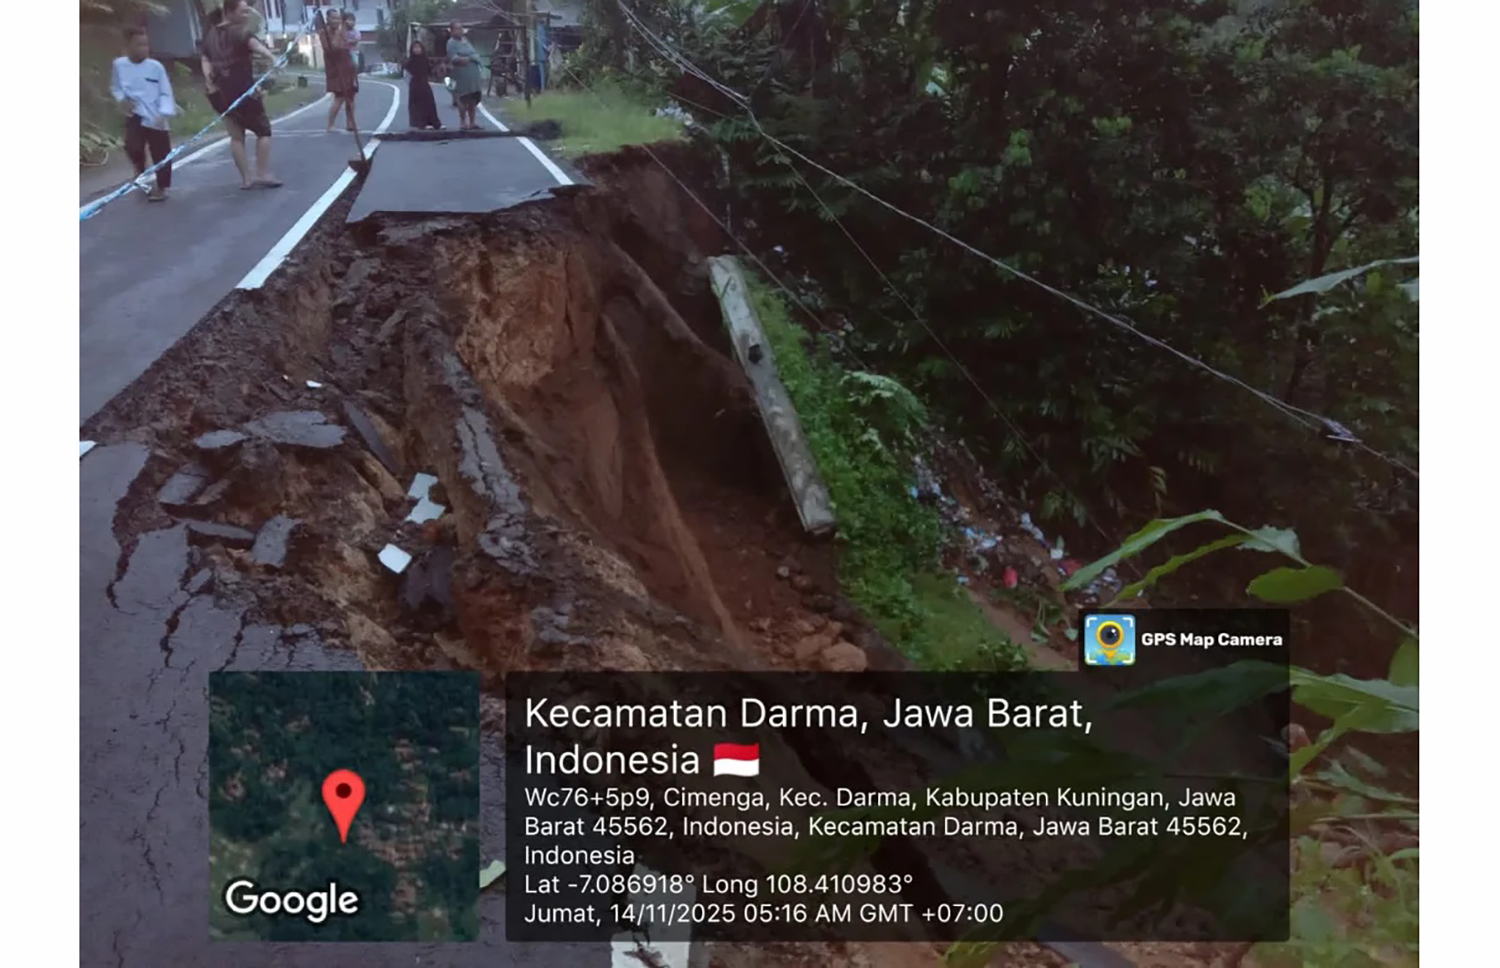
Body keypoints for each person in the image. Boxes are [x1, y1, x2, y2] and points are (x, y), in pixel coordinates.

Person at [201, 0, 281, 189]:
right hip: (243, 92)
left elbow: (205, 58)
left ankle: (246, 179)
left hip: (220, 94)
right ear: (229, 12)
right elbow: (257, 46)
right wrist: (273, 58)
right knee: (264, 131)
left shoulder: (210, 35)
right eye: (243, 12)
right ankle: (262, 173)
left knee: (236, 137)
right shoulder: (240, 32)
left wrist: (208, 78)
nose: (245, 16)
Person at [111, 26, 176, 202]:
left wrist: (163, 114)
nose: (144, 49)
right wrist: (122, 100)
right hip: (135, 113)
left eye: (146, 45)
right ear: (128, 46)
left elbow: (166, 92)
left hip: (156, 114)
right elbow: (116, 87)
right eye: (139, 45)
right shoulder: (119, 65)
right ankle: (140, 170)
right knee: (132, 146)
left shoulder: (156, 67)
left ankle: (162, 187)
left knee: (161, 153)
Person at [316, 8, 358, 132]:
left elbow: (350, 44)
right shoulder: (324, 32)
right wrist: (340, 33)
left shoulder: (343, 31)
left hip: (347, 66)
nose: (336, 21)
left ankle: (351, 123)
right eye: (333, 18)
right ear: (327, 19)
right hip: (336, 68)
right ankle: (330, 125)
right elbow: (333, 48)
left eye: (338, 18)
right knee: (339, 97)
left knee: (350, 96)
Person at [445, 21, 483, 131]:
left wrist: (472, 58)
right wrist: (466, 59)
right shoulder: (451, 43)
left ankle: (472, 122)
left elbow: (473, 53)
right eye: (457, 29)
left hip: (473, 74)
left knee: (473, 99)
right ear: (451, 31)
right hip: (460, 74)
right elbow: (453, 58)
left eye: (461, 28)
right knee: (462, 98)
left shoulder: (465, 41)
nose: (459, 31)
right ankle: (462, 122)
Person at [403, 41, 442, 131]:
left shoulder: (425, 59)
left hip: (424, 82)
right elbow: (406, 74)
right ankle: (422, 123)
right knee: (418, 105)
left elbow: (429, 71)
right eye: (415, 48)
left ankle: (435, 123)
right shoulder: (410, 61)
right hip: (415, 84)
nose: (417, 49)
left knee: (430, 102)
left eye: (419, 47)